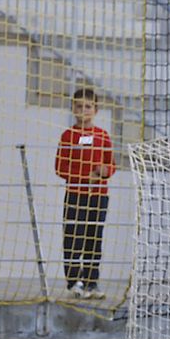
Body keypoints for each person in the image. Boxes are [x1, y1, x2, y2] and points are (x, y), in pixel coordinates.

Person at [53, 86, 114, 300]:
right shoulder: (68, 136)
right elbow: (60, 168)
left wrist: (105, 172)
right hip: (76, 195)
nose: (83, 110)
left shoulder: (102, 136)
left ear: (96, 110)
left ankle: (91, 282)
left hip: (98, 196)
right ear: (73, 108)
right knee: (73, 237)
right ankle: (74, 282)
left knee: (94, 238)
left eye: (88, 106)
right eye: (79, 106)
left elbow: (111, 164)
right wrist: (84, 177)